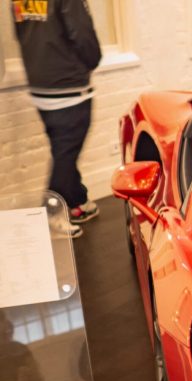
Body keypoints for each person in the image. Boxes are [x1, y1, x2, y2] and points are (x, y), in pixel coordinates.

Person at [12, 0, 102, 239]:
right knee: (66, 151)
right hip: (68, 87)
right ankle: (51, 213)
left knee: (62, 148)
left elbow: (19, 32)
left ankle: (76, 200)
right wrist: (93, 60)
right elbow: (82, 34)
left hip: (40, 85)